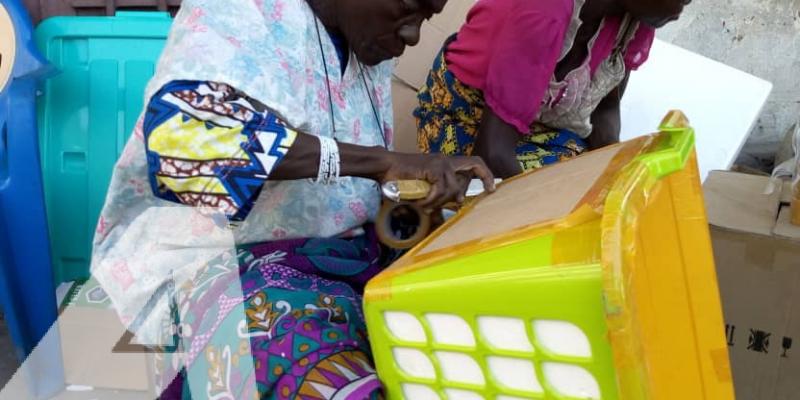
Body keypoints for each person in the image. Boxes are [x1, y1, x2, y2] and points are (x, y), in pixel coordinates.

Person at [89, 0, 495, 398]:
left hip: (336, 258)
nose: (413, 34)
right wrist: (381, 163)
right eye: (408, 8)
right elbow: (183, 147)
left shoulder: (363, 47)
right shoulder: (240, 12)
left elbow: (350, 192)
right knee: (308, 366)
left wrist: (418, 196)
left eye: (427, 17)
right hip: (208, 264)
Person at [416, 0, 691, 178]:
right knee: (567, 191)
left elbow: (606, 111)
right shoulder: (545, 9)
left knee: (589, 180)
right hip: (467, 119)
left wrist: (613, 176)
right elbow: (491, 153)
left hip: (535, 128)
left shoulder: (638, 18)